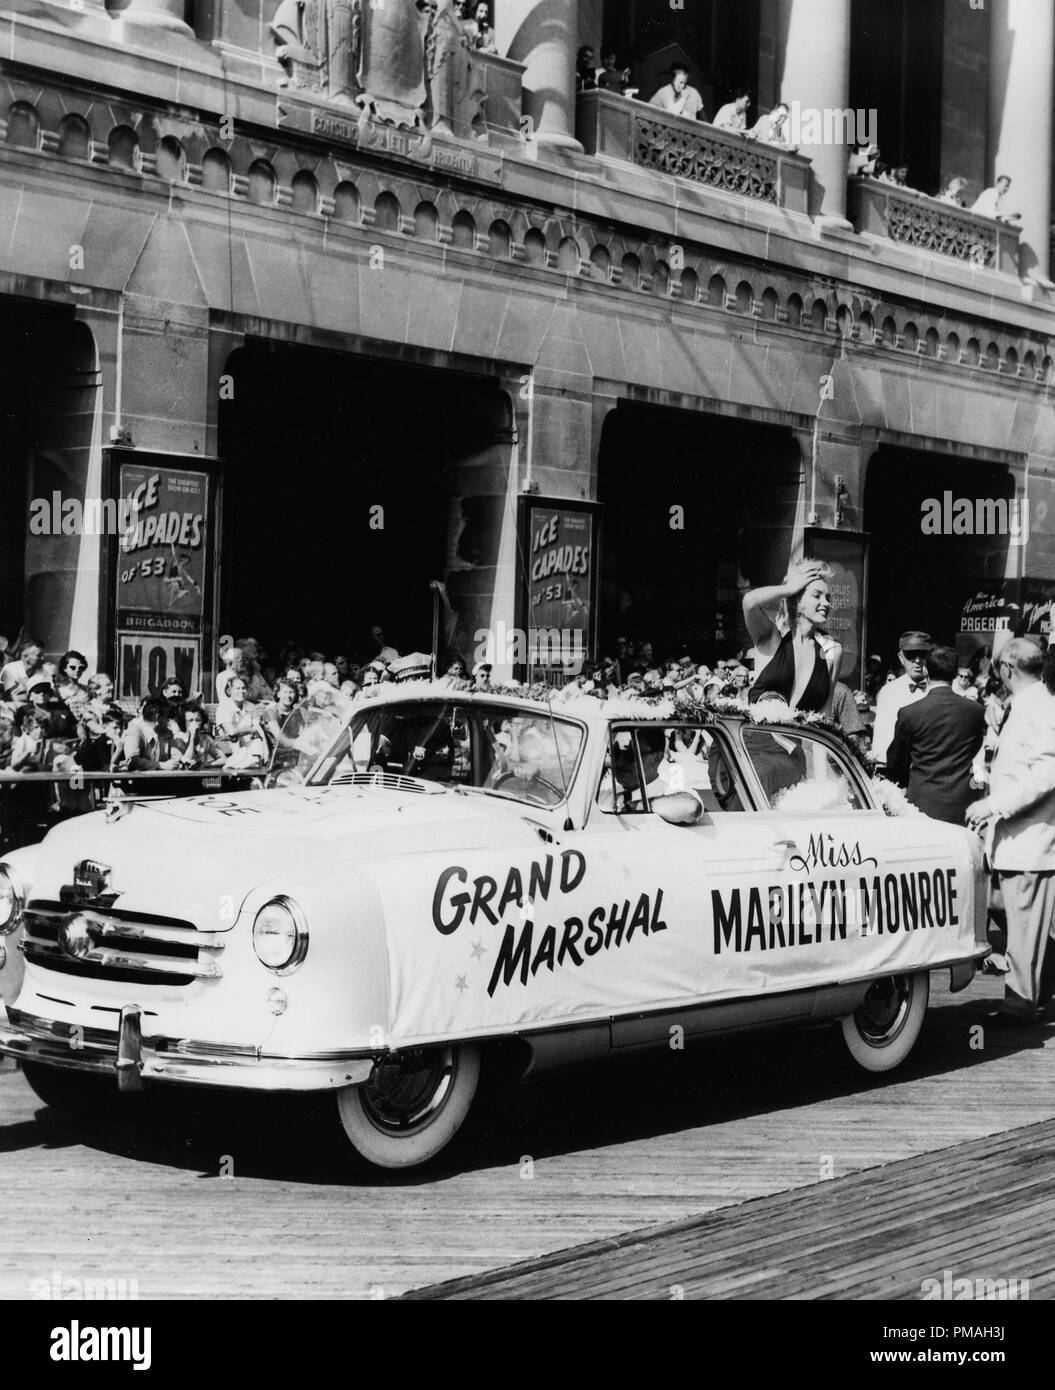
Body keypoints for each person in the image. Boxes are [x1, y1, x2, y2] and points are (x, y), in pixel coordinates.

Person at [966, 639, 1055, 1023]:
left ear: (1006, 670)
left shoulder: (1039, 707)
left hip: (1029, 839)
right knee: (1013, 914)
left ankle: (1020, 1003)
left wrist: (994, 805)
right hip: (1015, 839)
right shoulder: (1031, 705)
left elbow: (1046, 773)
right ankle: (1032, 990)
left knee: (1022, 922)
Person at [886, 645, 986, 825]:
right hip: (963, 806)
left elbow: (895, 765)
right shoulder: (976, 711)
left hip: (921, 807)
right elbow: (977, 758)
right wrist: (978, 792)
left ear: (925, 670)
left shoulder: (910, 713)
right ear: (955, 674)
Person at [742, 560, 842, 717]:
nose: (826, 603)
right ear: (796, 599)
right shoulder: (772, 639)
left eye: (828, 598)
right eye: (817, 596)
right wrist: (788, 588)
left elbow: (825, 716)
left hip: (799, 741)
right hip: (755, 740)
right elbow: (749, 602)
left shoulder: (832, 651)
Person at [869, 631, 934, 768]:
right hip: (898, 771)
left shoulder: (937, 689)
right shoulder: (888, 692)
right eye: (911, 655)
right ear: (901, 657)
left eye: (922, 654)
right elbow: (881, 741)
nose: (917, 661)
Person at [171, 702, 226, 769]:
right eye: (190, 720)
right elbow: (187, 762)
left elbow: (223, 759)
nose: (195, 723)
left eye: (198, 720)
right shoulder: (178, 738)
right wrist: (192, 739)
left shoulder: (205, 738)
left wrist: (205, 765)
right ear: (184, 722)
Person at [0, 638, 44, 707]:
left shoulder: (43, 671)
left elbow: (48, 695)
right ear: (25, 656)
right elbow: (8, 699)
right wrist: (32, 695)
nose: (42, 658)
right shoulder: (10, 670)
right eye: (38, 655)